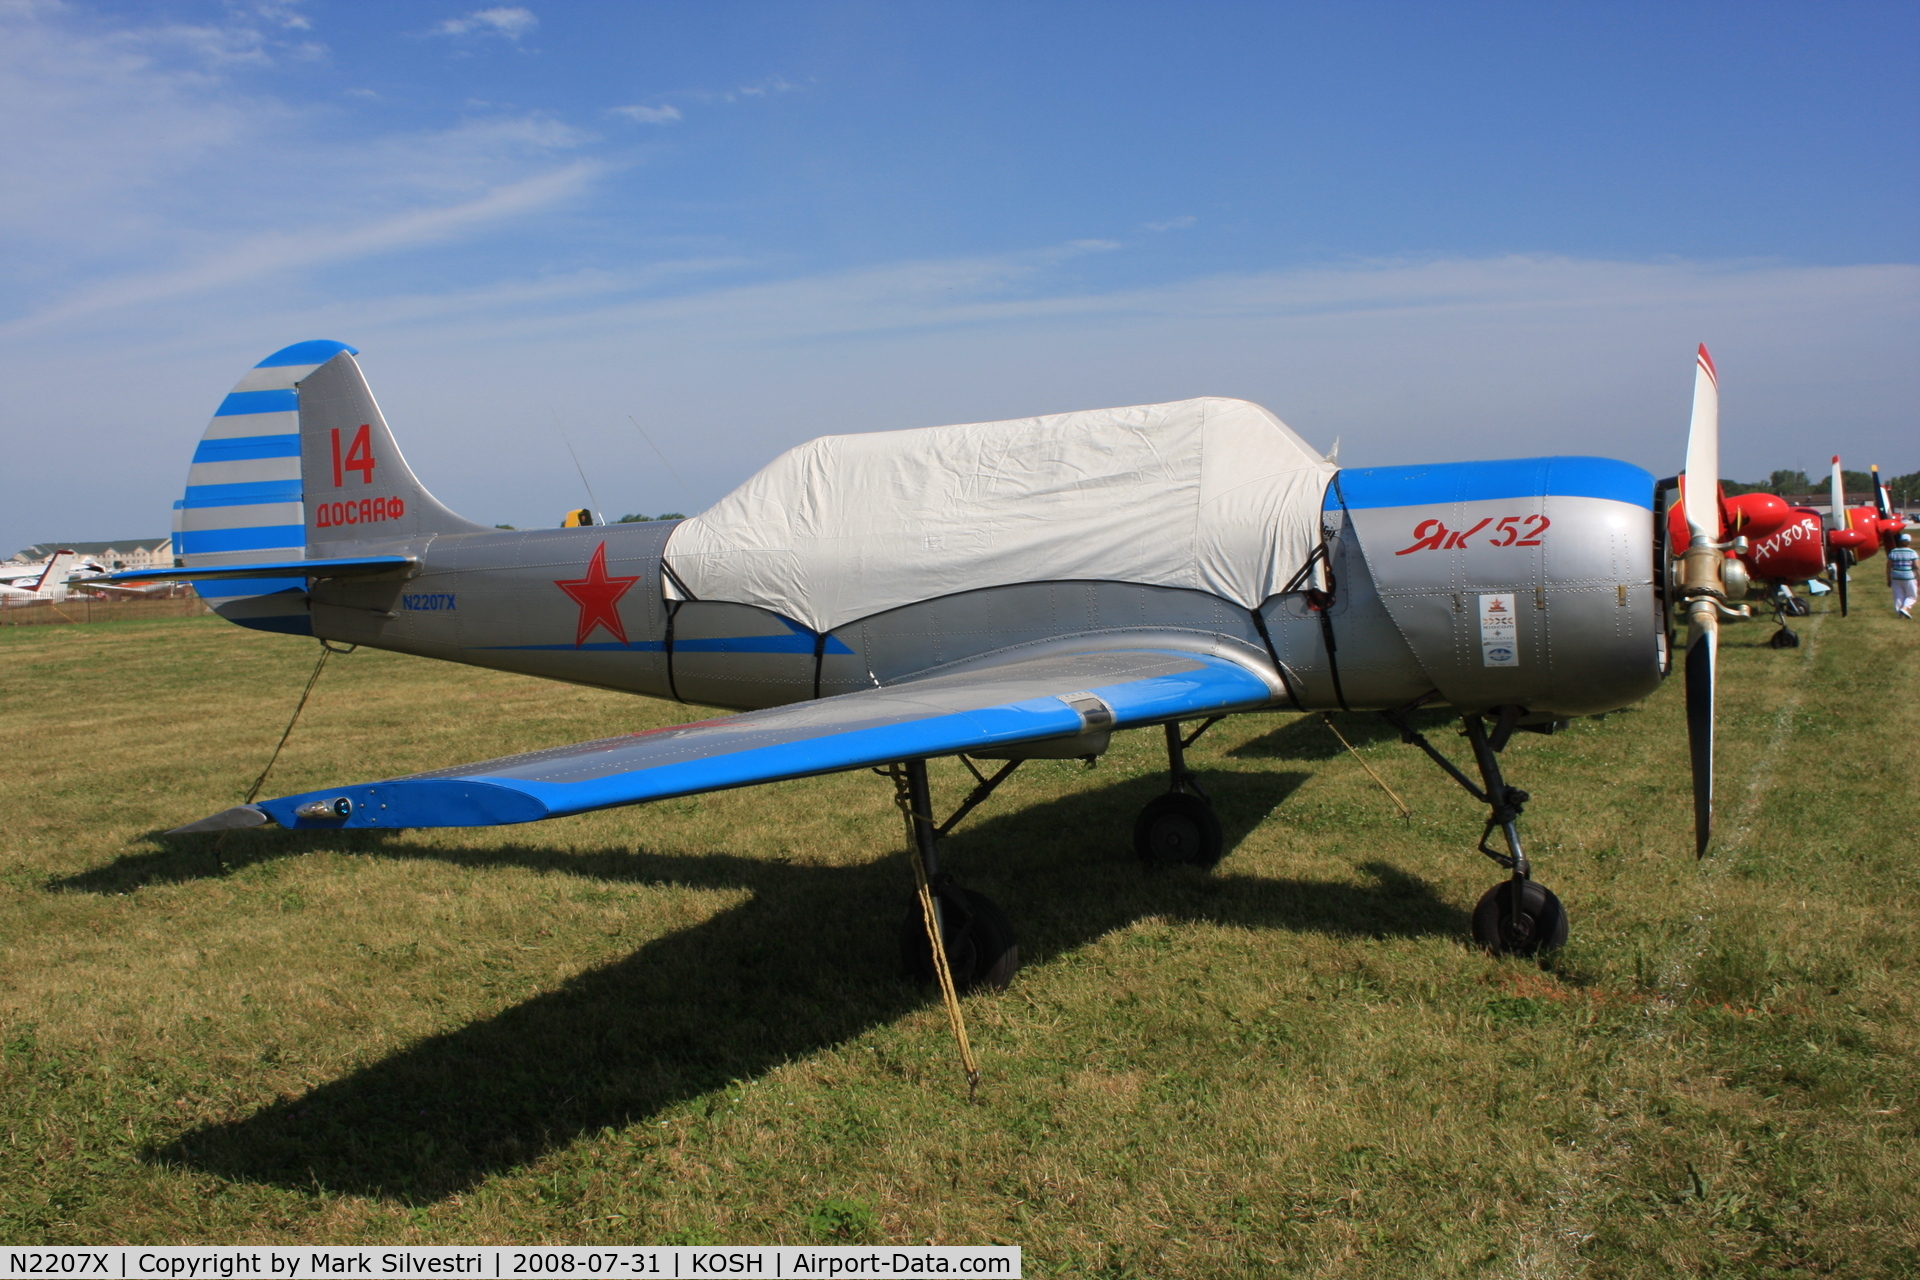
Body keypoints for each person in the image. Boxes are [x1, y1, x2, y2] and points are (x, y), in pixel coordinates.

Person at [1888, 532, 1918, 618]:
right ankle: (1905, 608)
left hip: (1895, 576)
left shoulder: (1893, 552)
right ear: (1908, 542)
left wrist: (1888, 579)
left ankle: (1900, 614)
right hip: (1908, 576)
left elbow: (1888, 567)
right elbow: (1916, 566)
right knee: (1912, 595)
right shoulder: (1912, 552)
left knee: (1898, 595)